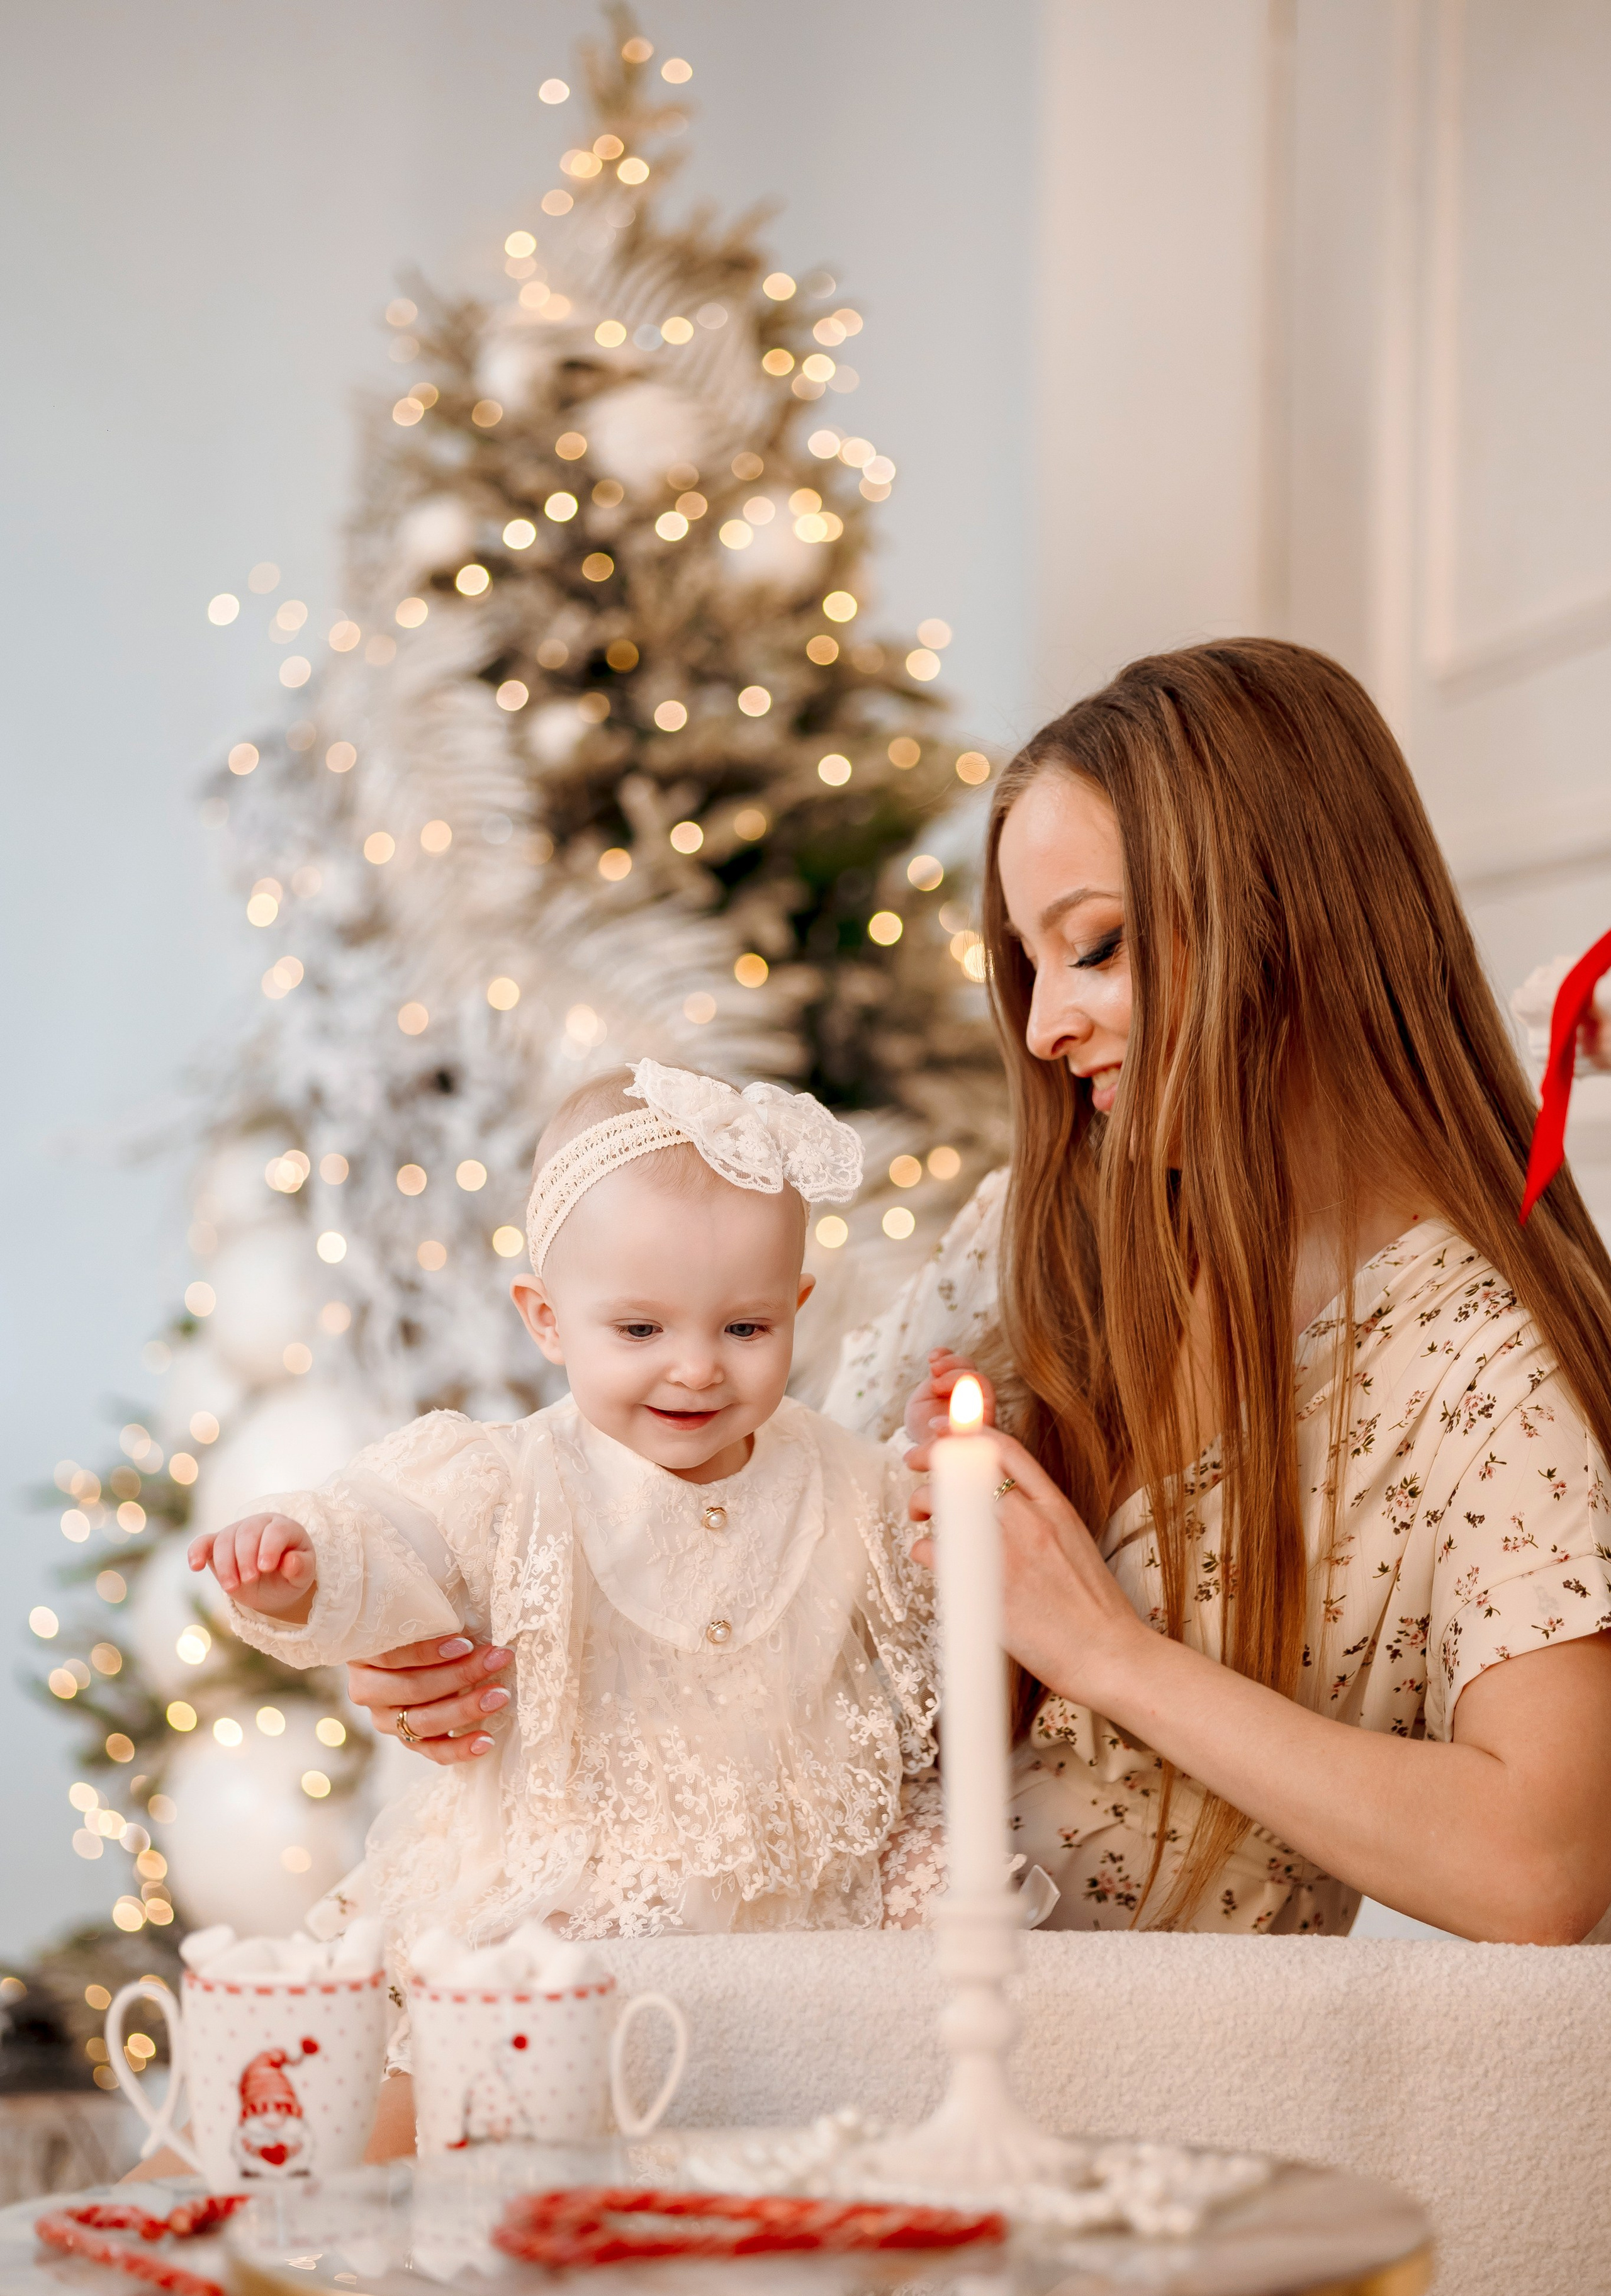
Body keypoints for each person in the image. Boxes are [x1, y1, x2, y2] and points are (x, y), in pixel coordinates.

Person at [835, 636, 1611, 1940]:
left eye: (1096, 947)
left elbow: (1537, 1867)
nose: (1042, 1028)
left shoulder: (1484, 1365)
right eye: (1029, 965)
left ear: (1287, 913)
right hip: (778, 2014)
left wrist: (1109, 1659)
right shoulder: (1032, 1231)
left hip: (1127, 2111)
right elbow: (737, 1502)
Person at [190, 1059, 940, 2014]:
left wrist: (937, 1463)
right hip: (576, 1905)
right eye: (639, 1330)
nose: (699, 1368)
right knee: (494, 2050)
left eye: (746, 1328)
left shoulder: (838, 1472)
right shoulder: (510, 1480)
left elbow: (927, 1572)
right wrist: (300, 1567)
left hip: (800, 1918)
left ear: (796, 1308)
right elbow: (393, 1542)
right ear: (548, 1321)